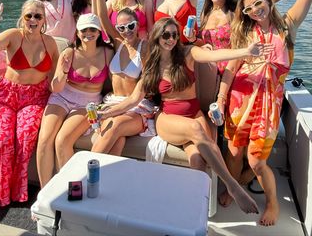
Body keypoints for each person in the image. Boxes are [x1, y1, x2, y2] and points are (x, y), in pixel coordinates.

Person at [98, 17, 274, 214]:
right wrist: (106, 112)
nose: (171, 39)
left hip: (194, 114)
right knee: (197, 129)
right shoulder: (152, 67)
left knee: (199, 159)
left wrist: (246, 51)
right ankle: (233, 186)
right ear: (157, 37)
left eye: (174, 34)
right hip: (168, 119)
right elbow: (133, 99)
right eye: (166, 35)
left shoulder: (188, 54)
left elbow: (214, 56)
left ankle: (194, 211)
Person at [214, 0, 312, 226]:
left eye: (259, 3)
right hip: (240, 101)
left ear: (268, 1)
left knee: (257, 160)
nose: (256, 10)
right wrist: (221, 98)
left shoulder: (287, 27)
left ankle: (272, 202)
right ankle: (234, 188)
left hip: (268, 106)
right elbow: (230, 70)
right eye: (249, 8)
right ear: (245, 13)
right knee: (234, 152)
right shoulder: (244, 33)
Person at [0, 0, 58, 206]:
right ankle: (3, 188)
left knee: (25, 136)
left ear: (44, 20)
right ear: (23, 18)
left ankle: (19, 190)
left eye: (37, 16)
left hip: (35, 98)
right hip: (5, 97)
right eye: (29, 15)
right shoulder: (14, 35)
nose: (33, 19)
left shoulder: (50, 43)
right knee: (4, 138)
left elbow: (56, 78)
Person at [36, 13, 113, 188]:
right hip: (62, 96)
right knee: (45, 140)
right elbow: (55, 88)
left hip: (88, 104)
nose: (88, 33)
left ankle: (69, 190)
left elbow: (120, 79)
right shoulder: (69, 52)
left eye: (92, 29)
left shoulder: (108, 53)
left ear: (99, 32)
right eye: (83, 29)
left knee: (62, 141)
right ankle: (45, 192)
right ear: (77, 33)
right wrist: (63, 71)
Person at [91, 0, 150, 155]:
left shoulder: (146, 48)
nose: (127, 31)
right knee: (117, 139)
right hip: (113, 102)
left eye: (131, 26)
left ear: (138, 24)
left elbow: (136, 97)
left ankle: (83, 171)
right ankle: (106, 181)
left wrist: (106, 113)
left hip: (137, 107)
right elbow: (102, 18)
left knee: (113, 125)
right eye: (122, 28)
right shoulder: (118, 44)